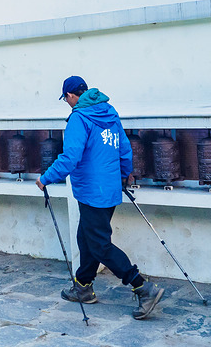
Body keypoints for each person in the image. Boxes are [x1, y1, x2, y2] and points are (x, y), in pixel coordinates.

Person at [36, 75, 165, 320]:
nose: (67, 102)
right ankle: (83, 287)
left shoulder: (79, 118)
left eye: (65, 98)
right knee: (86, 237)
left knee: (100, 245)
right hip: (109, 189)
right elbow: (124, 148)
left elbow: (70, 157)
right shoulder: (109, 111)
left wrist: (46, 178)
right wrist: (125, 174)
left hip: (92, 191)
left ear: (71, 96)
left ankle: (143, 287)